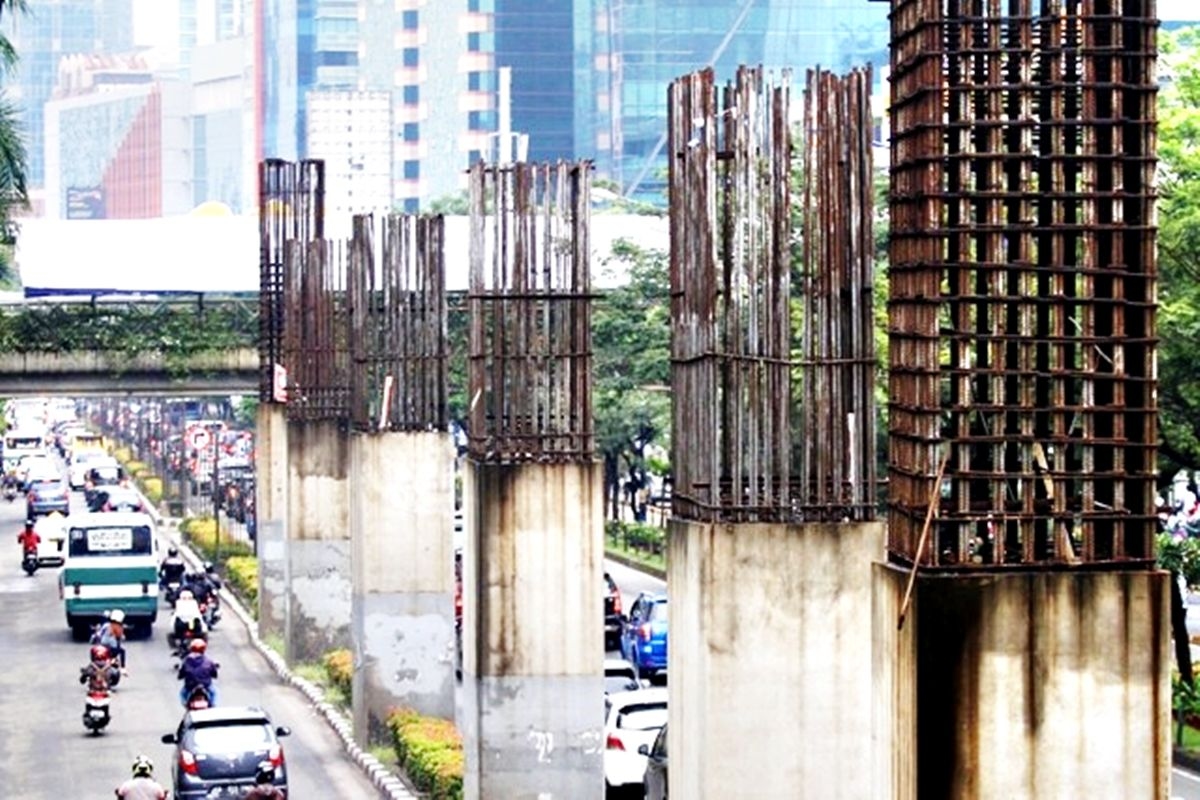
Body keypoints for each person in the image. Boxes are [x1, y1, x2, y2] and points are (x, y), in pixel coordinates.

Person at [177, 638, 219, 707]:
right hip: (206, 685)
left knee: (182, 694)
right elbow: (214, 674)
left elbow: (181, 675)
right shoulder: (208, 661)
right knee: (214, 693)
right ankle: (212, 704)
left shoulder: (186, 661)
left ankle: (185, 704)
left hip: (190, 686)